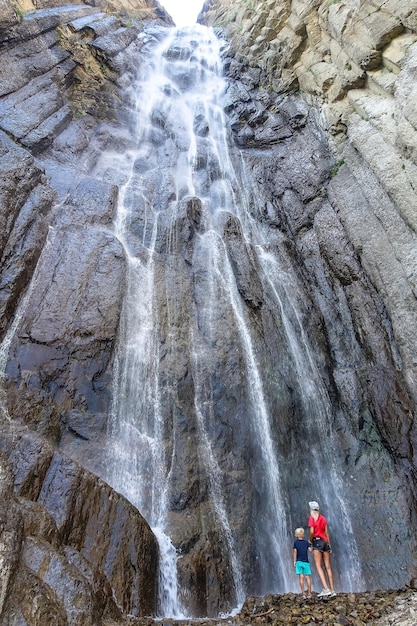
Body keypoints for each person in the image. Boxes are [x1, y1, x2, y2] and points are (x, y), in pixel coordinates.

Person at [308, 500, 336, 597]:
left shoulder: (312, 518)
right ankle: (332, 590)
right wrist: (329, 545)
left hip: (317, 542)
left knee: (318, 566)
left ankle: (325, 588)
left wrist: (310, 541)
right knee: (328, 567)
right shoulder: (323, 518)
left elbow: (312, 532)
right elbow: (327, 533)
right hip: (325, 543)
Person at [293, 527, 313, 598]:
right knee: (307, 577)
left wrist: (294, 561)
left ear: (296, 535)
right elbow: (310, 550)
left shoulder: (295, 543)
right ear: (303, 535)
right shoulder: (306, 542)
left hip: (299, 562)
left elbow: (295, 551)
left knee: (301, 577)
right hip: (306, 562)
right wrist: (310, 544)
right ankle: (310, 593)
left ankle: (303, 593)